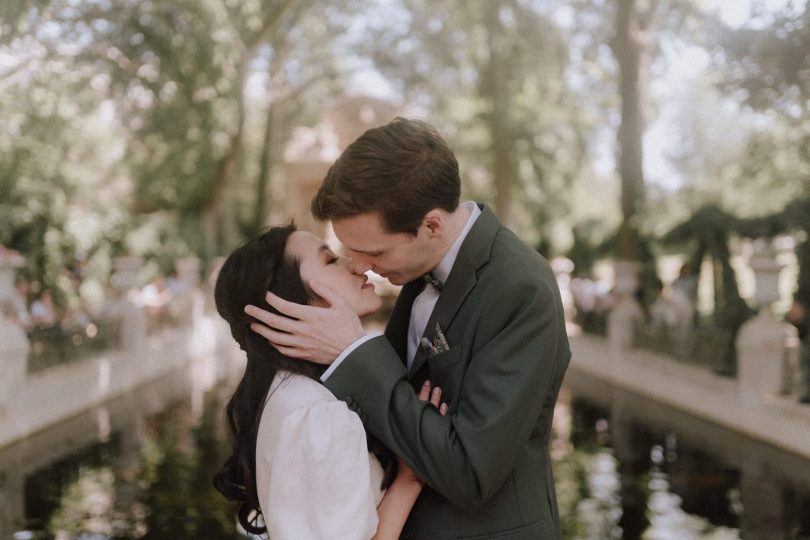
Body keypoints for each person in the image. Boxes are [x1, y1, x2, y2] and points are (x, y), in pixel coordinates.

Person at [246, 118, 571, 539]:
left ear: (432, 225)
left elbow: (470, 473)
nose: (359, 266)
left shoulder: (521, 290)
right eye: (348, 252)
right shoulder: (418, 267)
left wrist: (354, 351)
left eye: (371, 251)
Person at [213, 223, 446, 539]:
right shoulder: (317, 414)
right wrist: (410, 478)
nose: (355, 264)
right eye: (330, 261)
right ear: (291, 303)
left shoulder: (287, 391)